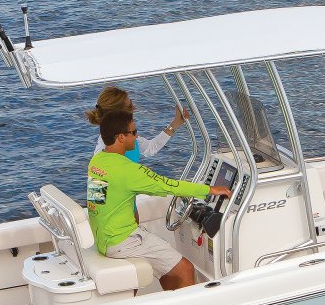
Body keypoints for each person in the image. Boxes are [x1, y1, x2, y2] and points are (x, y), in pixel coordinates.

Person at [88, 111, 231, 290]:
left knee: (168, 268)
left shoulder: (97, 161)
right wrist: (209, 190)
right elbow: (168, 185)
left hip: (104, 239)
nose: (137, 136)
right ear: (121, 137)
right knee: (186, 269)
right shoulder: (128, 170)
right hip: (122, 240)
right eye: (134, 132)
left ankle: (169, 301)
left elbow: (99, 202)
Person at [86, 86, 188, 165]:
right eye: (130, 105)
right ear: (119, 113)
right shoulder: (103, 152)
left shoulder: (128, 135)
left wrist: (176, 123)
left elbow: (150, 148)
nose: (134, 108)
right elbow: (100, 185)